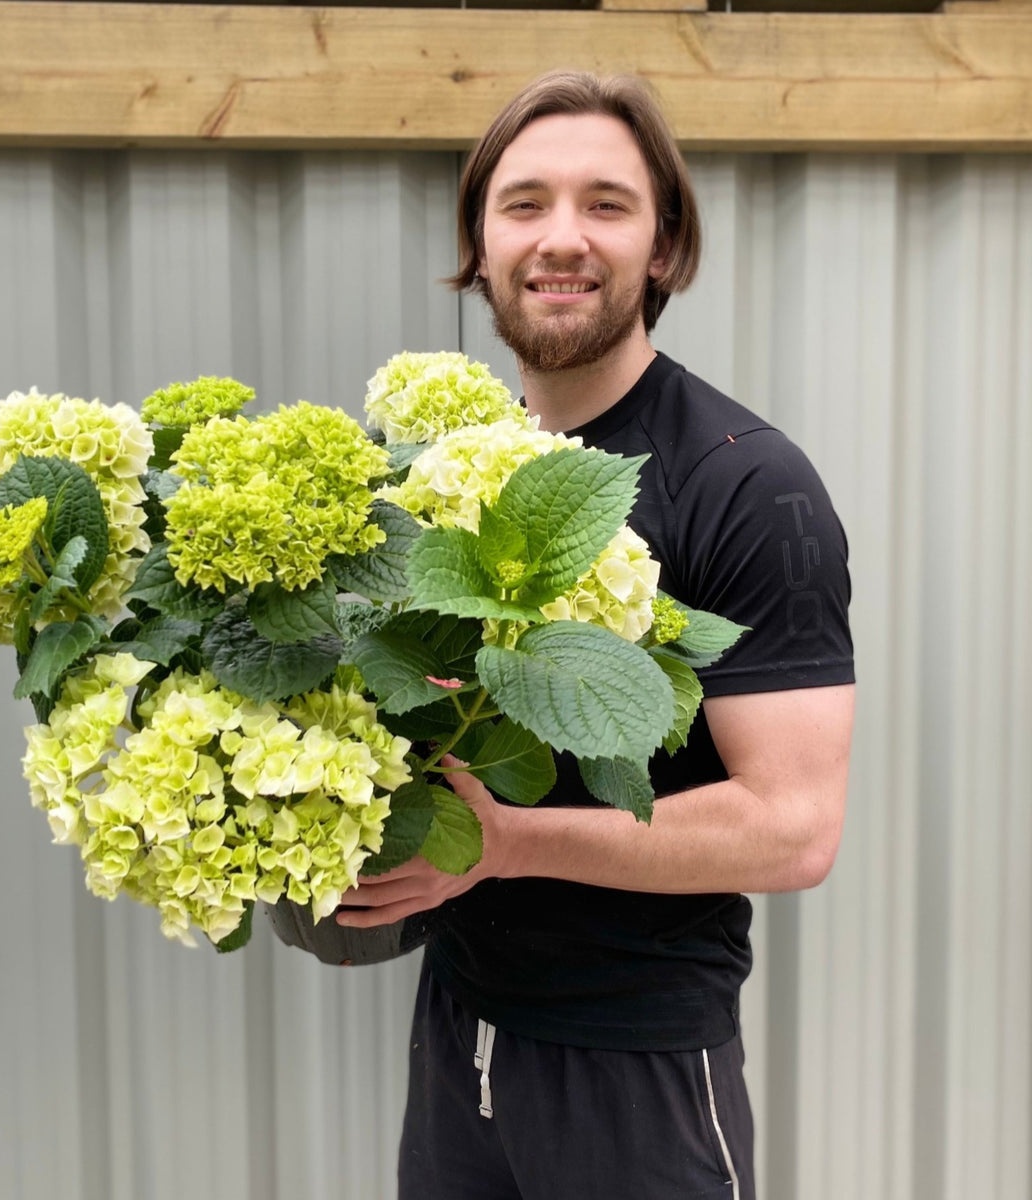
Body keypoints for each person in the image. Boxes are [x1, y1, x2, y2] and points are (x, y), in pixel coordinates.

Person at [339, 70, 855, 1200]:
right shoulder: (443, 469)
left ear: (663, 248)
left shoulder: (750, 487)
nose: (560, 238)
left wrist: (508, 839)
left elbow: (794, 830)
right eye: (524, 203)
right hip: (459, 1035)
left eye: (606, 204)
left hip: (638, 1067)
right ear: (479, 244)